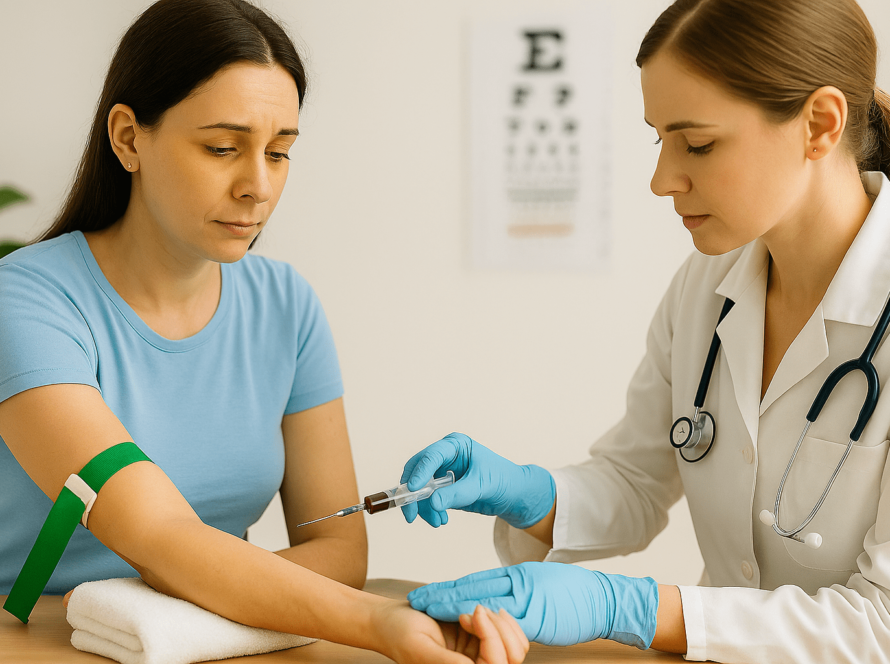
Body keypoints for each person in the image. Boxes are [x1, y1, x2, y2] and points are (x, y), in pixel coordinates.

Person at [0, 1, 528, 662]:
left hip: (210, 646)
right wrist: (378, 623)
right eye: (223, 148)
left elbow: (339, 549)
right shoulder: (24, 300)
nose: (258, 185)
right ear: (129, 137)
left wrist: (224, 607)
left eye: (279, 153)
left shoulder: (286, 305)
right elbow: (159, 532)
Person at [398, 0, 890, 661]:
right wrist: (524, 492)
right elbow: (635, 483)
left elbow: (880, 623)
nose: (662, 180)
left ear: (819, 124)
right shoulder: (706, 287)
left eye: (699, 143)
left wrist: (626, 606)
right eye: (660, 139)